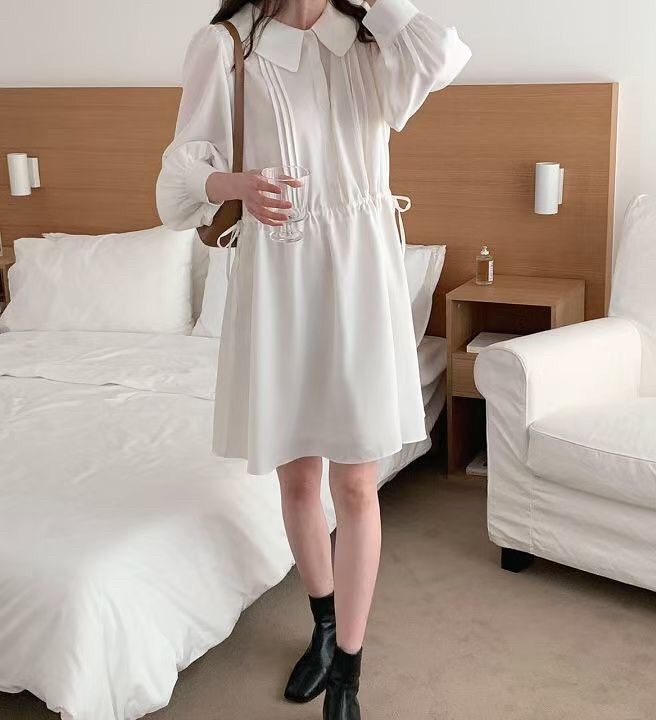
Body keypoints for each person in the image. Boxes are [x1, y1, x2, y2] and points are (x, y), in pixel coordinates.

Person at [157, 1, 470, 717]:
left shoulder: (373, 41)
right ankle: (323, 626)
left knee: (356, 484)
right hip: (280, 277)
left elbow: (444, 59)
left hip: (360, 279)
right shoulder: (227, 45)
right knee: (298, 478)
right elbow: (176, 182)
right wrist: (236, 185)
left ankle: (349, 670)